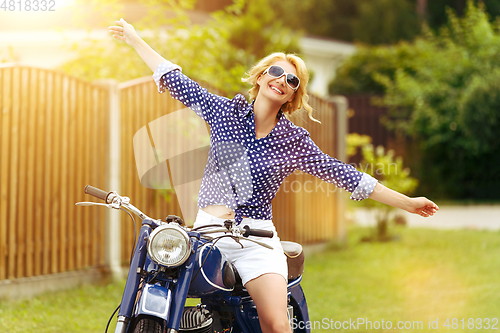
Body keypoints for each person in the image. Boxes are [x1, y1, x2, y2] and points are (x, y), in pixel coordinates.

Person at [109, 18, 439, 333]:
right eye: (276, 71)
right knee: (164, 291)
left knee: (277, 326)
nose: (282, 80)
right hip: (206, 235)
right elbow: (176, 79)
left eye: (291, 80)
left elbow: (345, 175)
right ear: (261, 76)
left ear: (294, 96)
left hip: (257, 239)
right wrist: (135, 39)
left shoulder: (293, 140)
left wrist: (407, 203)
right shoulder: (225, 112)